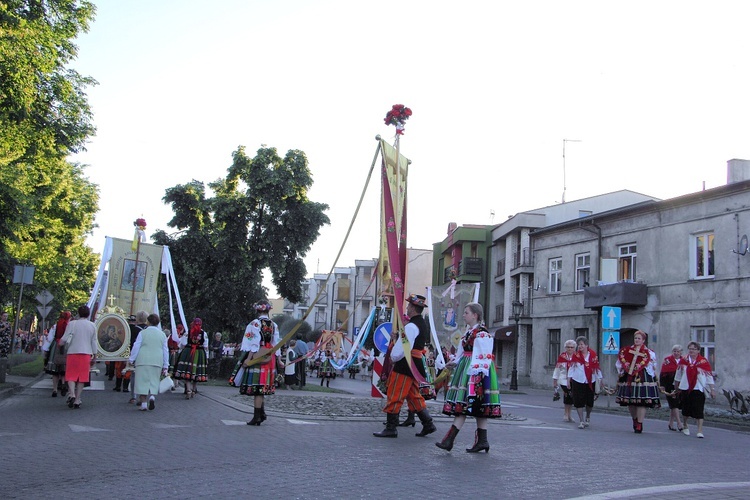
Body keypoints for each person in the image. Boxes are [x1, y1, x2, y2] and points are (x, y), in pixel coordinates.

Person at [435, 302, 500, 452]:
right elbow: (462, 354)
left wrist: (476, 378)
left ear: (475, 315)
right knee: (477, 407)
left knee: (465, 405)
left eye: (466, 313)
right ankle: (481, 441)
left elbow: (484, 358)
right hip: (466, 370)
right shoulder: (469, 332)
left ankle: (450, 440)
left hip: (475, 373)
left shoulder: (482, 333)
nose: (464, 315)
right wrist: (453, 363)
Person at [374, 293, 437, 439]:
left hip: (405, 365)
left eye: (409, 306)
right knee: (414, 395)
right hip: (415, 364)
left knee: (395, 393)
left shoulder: (411, 326)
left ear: (414, 309)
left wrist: (393, 357)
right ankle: (428, 424)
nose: (407, 308)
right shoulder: (421, 324)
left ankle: (391, 428)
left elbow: (403, 346)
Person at [238, 300, 280, 426]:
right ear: (268, 310)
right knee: (262, 387)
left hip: (258, 356)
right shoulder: (274, 324)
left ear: (257, 310)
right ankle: (261, 413)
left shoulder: (255, 324)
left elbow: (253, 342)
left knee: (257, 388)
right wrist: (278, 359)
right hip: (269, 357)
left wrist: (248, 359)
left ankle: (257, 417)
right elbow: (276, 343)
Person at [615, 330, 661, 433]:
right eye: (635, 338)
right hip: (629, 376)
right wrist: (623, 370)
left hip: (643, 376)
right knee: (630, 401)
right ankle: (634, 419)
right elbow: (620, 362)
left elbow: (653, 365)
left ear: (643, 340)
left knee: (642, 402)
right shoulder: (627, 351)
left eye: (639, 338)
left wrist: (649, 372)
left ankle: (640, 423)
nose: (637, 340)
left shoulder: (649, 352)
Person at [675, 341, 716, 438]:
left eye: (693, 349)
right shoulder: (683, 361)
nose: (691, 350)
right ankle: (685, 425)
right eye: (690, 348)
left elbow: (709, 377)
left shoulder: (703, 362)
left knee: (699, 409)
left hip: (698, 388)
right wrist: (676, 386)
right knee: (686, 409)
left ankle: (700, 430)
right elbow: (678, 375)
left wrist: (712, 389)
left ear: (698, 350)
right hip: (685, 387)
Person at [60, 305, 97, 409]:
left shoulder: (72, 324)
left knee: (71, 375)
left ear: (79, 313)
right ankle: (77, 399)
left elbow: (64, 338)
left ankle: (71, 393)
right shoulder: (92, 325)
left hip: (72, 352)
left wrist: (60, 343)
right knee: (82, 378)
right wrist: (95, 355)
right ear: (88, 314)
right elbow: (94, 341)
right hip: (86, 353)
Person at [129, 313, 169, 411]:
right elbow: (165, 350)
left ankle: (143, 404)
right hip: (157, 360)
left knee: (142, 382)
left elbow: (136, 346)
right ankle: (152, 396)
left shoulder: (143, 333)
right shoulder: (162, 335)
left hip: (143, 360)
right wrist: (166, 364)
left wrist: (131, 359)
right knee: (154, 381)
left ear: (148, 322)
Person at [567, 336, 603, 429]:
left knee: (589, 403)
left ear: (586, 345)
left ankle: (588, 415)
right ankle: (581, 421)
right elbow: (571, 368)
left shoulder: (593, 356)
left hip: (590, 381)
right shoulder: (576, 356)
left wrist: (600, 379)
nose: (580, 346)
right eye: (579, 345)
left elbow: (596, 368)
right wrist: (568, 381)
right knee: (578, 401)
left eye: (582, 344)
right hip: (578, 381)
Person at [172, 317, 208, 399]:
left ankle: (188, 390)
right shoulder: (204, 333)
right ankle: (194, 389)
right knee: (196, 371)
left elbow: (182, 344)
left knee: (187, 371)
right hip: (199, 353)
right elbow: (206, 346)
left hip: (189, 353)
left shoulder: (188, 333)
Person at [43, 311, 72, 397]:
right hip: (65, 347)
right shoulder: (69, 326)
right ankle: (63, 384)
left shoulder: (55, 326)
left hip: (56, 346)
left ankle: (54, 389)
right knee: (63, 368)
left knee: (55, 370)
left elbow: (50, 338)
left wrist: (45, 349)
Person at [659, 344, 684, 432]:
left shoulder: (684, 360)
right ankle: (679, 423)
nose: (676, 353)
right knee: (674, 403)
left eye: (678, 351)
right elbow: (662, 373)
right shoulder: (667, 360)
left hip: (681, 385)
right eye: (674, 351)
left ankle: (670, 423)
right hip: (669, 384)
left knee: (675, 404)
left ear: (681, 352)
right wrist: (662, 385)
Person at [552, 339, 576, 422]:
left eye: (572, 347)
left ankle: (569, 414)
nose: (570, 349)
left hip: (574, 379)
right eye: (568, 347)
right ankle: (566, 413)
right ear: (565, 348)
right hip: (563, 379)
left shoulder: (576, 357)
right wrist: (555, 380)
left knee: (572, 396)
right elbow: (557, 369)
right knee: (567, 394)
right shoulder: (562, 357)